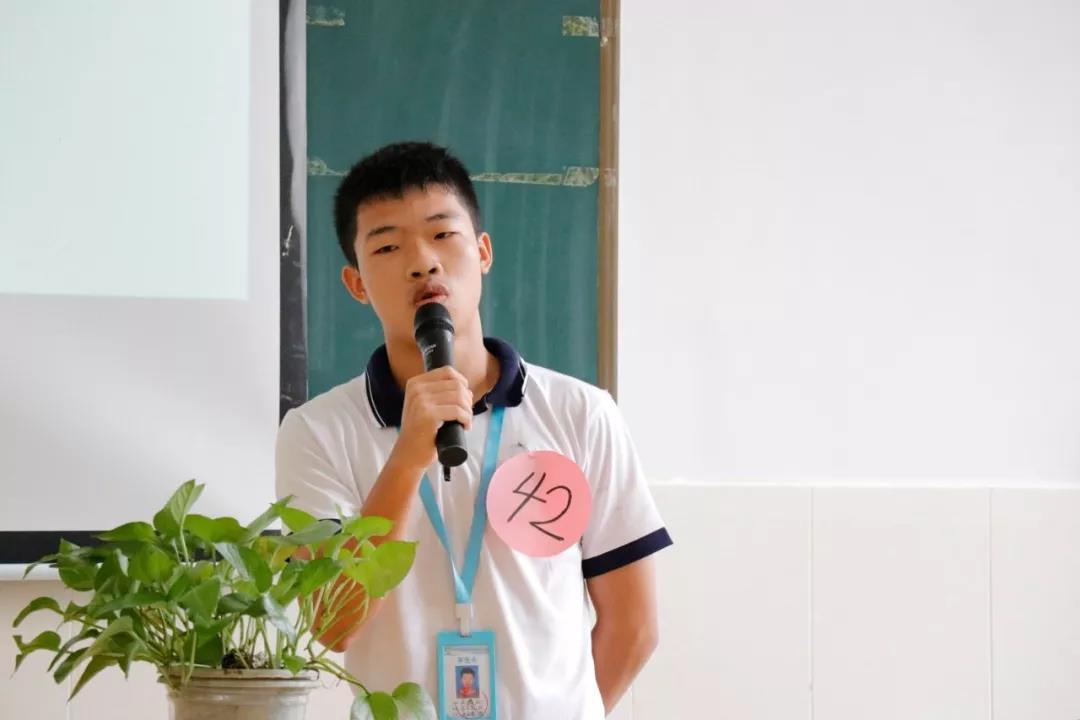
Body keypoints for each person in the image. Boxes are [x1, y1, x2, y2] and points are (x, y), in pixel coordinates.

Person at [275, 141, 672, 719]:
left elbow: (633, 626)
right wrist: (408, 456)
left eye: (443, 234)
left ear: (483, 251)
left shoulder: (581, 413)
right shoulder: (316, 432)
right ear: (356, 283)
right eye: (387, 246)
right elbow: (333, 624)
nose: (422, 262)